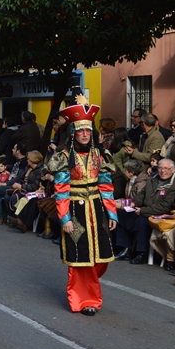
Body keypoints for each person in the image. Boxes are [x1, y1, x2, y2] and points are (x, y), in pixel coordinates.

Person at [47, 76, 117, 316]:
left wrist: (112, 212)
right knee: (80, 258)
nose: (85, 134)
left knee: (102, 257)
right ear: (74, 133)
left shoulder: (101, 156)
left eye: (88, 129)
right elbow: (61, 190)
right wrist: (64, 218)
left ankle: (89, 290)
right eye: (81, 130)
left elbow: (106, 185)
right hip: (75, 211)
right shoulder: (64, 157)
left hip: (97, 208)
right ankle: (85, 300)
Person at [115, 158, 175, 264]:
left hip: (161, 214)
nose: (163, 171)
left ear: (173, 170)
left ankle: (142, 253)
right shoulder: (153, 177)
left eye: (166, 168)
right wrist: (133, 203)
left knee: (143, 222)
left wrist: (143, 210)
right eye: (160, 168)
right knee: (122, 216)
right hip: (144, 209)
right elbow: (142, 194)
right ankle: (126, 248)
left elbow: (165, 207)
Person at [0, 143, 28, 224]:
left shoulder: (23, 163)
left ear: (18, 151)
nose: (12, 150)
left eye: (14, 148)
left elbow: (19, 177)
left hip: (14, 185)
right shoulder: (18, 161)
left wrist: (5, 184)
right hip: (9, 183)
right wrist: (0, 167)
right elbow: (11, 166)